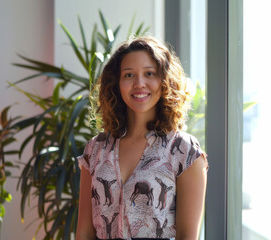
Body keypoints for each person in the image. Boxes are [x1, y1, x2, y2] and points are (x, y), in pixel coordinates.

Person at [76, 35, 208, 240]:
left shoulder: (184, 151)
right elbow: (84, 233)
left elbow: (188, 237)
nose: (139, 83)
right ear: (117, 82)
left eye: (149, 73)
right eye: (129, 75)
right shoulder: (95, 150)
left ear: (165, 80)